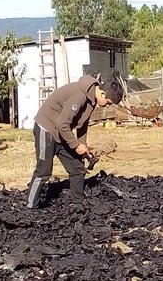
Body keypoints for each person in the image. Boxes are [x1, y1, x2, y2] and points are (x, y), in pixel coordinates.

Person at [26, 73, 121, 208]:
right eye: (108, 102)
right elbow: (62, 123)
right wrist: (75, 145)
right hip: (46, 128)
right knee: (44, 171)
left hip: (62, 132)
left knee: (77, 168)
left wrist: (82, 146)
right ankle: (30, 205)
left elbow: (82, 124)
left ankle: (78, 203)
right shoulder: (79, 96)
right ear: (103, 94)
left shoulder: (92, 99)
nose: (106, 106)